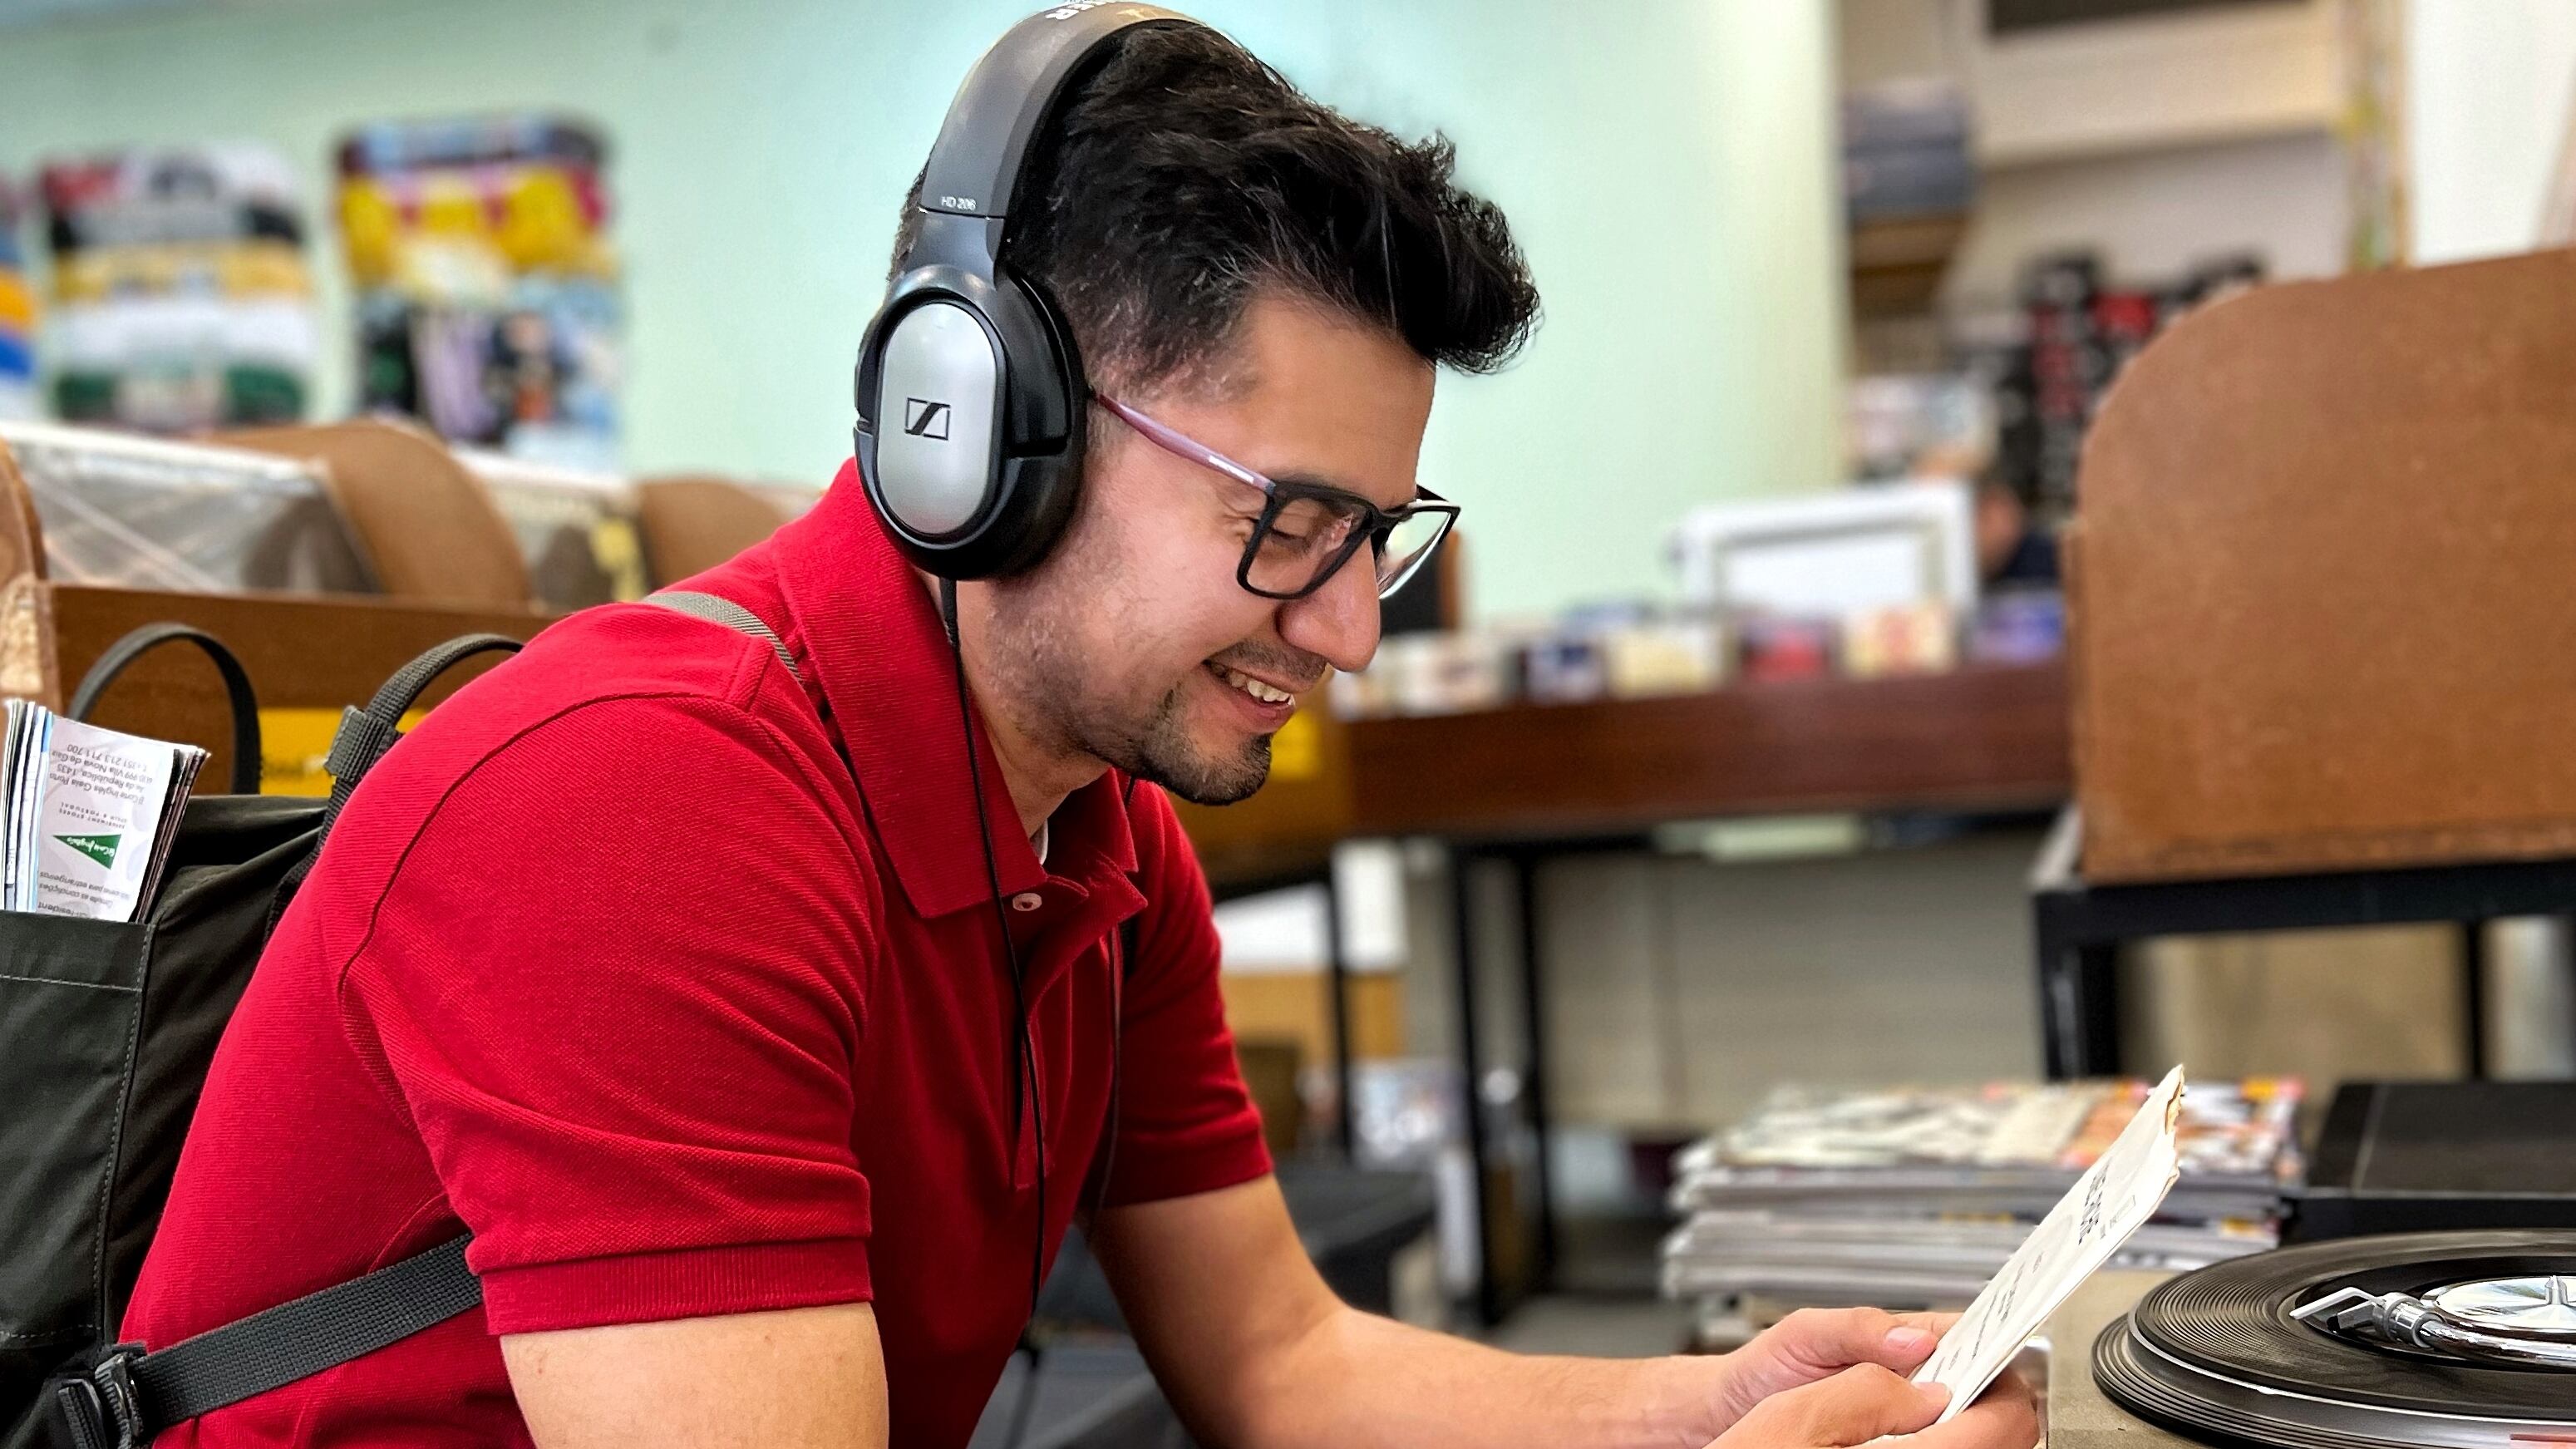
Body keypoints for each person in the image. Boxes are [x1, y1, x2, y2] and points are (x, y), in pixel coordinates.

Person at [126, 14, 2040, 1449]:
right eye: (1286, 525)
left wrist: (1698, 1404)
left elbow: (1283, 1363)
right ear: (982, 427)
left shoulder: (1094, 836)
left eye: (1374, 537)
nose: (1352, 628)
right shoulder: (634, 804)